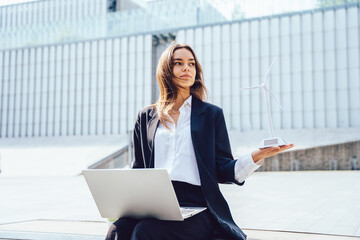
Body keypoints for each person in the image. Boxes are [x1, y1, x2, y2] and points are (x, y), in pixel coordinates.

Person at [105, 42, 294, 240]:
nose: (187, 68)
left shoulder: (211, 115)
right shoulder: (146, 117)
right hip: (155, 203)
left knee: (145, 232)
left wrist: (257, 156)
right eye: (178, 63)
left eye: (192, 64)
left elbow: (223, 169)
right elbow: (139, 170)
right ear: (165, 71)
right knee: (117, 230)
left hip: (197, 206)